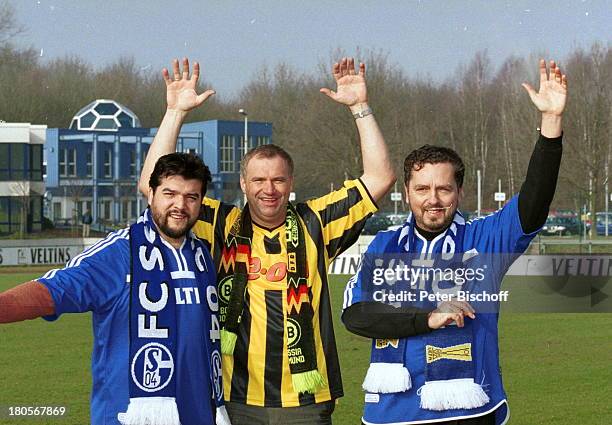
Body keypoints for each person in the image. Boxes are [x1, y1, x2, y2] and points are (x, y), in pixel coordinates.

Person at [138, 57, 395, 424]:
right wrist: (175, 113)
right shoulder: (221, 222)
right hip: (235, 396)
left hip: (306, 400)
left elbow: (380, 177)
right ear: (244, 184)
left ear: (290, 184)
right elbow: (154, 188)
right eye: (258, 180)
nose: (268, 189)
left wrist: (359, 106)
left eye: (277, 180)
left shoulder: (316, 221)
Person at [342, 59, 567, 425]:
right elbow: (356, 315)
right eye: (423, 189)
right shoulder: (384, 245)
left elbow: (534, 200)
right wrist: (427, 317)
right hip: (391, 414)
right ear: (407, 192)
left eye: (444, 188)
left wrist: (551, 124)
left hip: (468, 412)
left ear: (459, 191)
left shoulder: (483, 239)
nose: (433, 198)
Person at [0, 153, 230, 425]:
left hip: (200, 415)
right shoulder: (119, 253)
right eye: (170, 193)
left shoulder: (202, 254)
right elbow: (51, 292)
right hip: (129, 417)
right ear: (151, 193)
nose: (180, 205)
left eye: (191, 197)